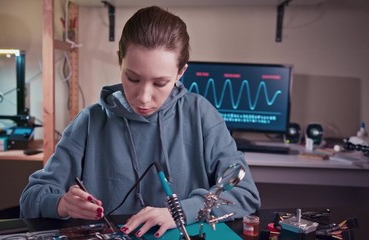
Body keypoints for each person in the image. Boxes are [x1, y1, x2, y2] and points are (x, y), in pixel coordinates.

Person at [20, 5, 261, 238]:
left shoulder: (201, 115)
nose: (144, 97)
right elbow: (31, 198)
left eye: (159, 83)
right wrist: (62, 204)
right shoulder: (89, 122)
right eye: (132, 78)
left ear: (180, 72)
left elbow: (245, 194)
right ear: (120, 61)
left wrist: (180, 213)